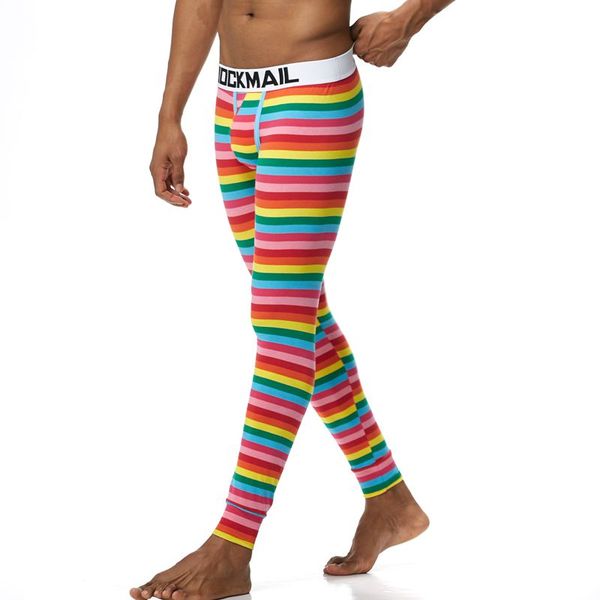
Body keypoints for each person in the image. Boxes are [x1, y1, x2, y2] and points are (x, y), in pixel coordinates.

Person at [131, 1, 453, 598]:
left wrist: (410, 18)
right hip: (232, 103)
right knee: (301, 319)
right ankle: (390, 499)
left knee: (281, 328)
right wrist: (169, 114)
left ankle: (233, 543)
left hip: (310, 97)